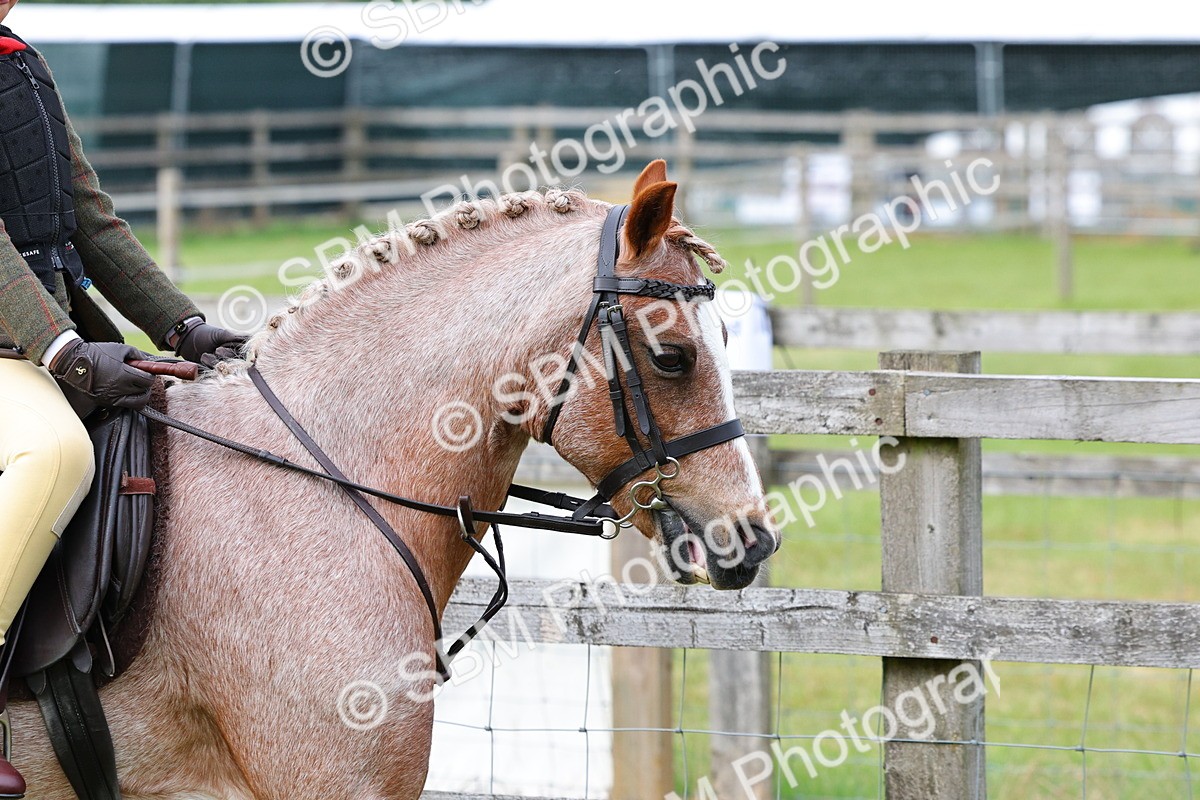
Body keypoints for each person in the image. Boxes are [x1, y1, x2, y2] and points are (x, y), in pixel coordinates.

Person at [0, 3, 245, 795]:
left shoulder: (19, 63)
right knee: (55, 451)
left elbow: (88, 220)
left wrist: (182, 324)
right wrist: (64, 352)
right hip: (22, 347)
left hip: (43, 338)